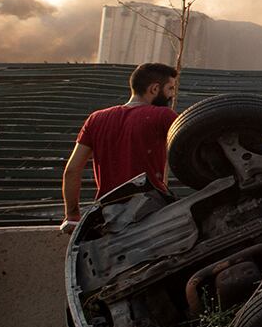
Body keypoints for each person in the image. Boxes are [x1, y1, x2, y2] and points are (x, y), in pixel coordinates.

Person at [61, 62, 181, 232]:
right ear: (154, 89)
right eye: (170, 88)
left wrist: (72, 216)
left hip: (107, 217)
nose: (172, 95)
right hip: (150, 217)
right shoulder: (163, 115)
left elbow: (72, 170)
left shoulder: (96, 119)